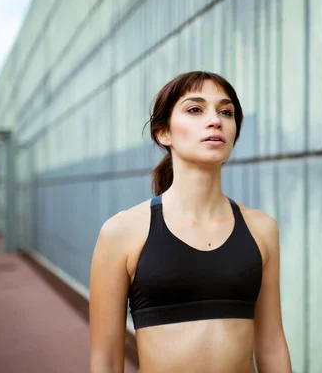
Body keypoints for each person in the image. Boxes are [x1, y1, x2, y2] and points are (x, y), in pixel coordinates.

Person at [89, 71, 292, 373]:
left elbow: (271, 343)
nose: (215, 120)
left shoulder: (261, 228)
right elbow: (105, 359)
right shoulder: (123, 231)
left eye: (226, 112)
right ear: (163, 133)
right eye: (195, 109)